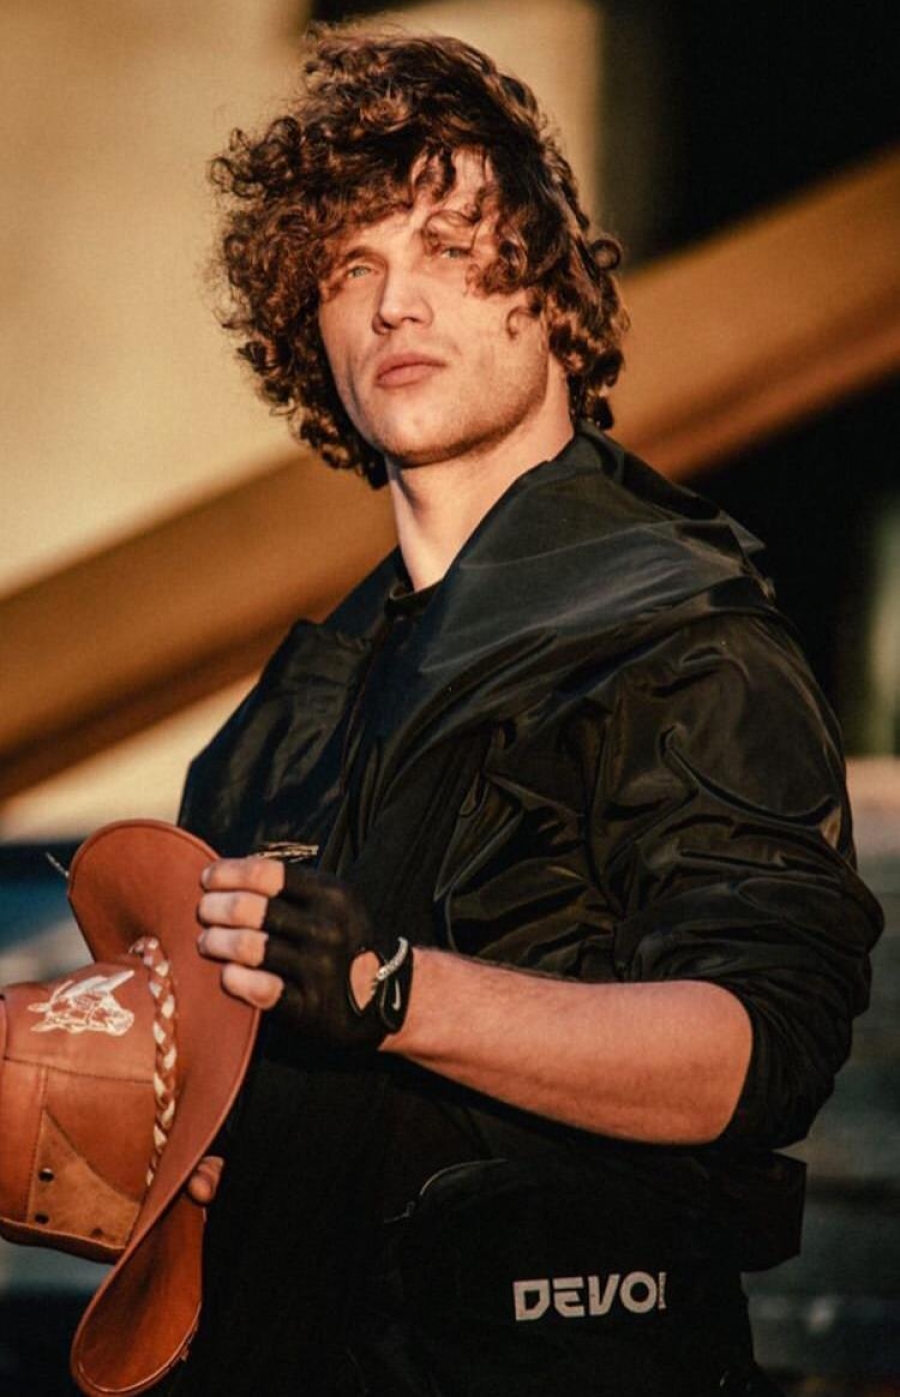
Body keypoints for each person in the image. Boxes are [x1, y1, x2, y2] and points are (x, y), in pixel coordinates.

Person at [162, 25, 882, 1397]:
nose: (395, 302)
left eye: (447, 246)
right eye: (350, 267)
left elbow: (760, 1048)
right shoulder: (276, 728)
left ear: (548, 295)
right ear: (308, 331)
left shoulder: (684, 638)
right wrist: (159, 1147)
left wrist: (393, 990)